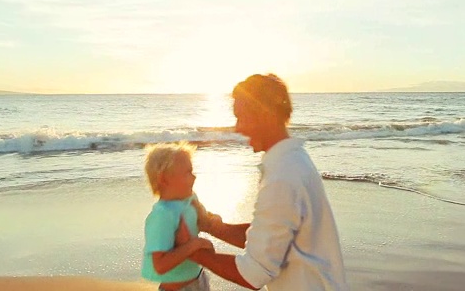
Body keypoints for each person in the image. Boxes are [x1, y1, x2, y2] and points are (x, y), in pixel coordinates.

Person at [184, 74, 349, 290]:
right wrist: (210, 226)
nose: (237, 128)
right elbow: (270, 239)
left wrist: (191, 252)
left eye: (241, 117)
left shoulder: (282, 177)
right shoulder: (294, 160)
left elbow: (254, 273)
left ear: (265, 114)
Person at [141, 142, 217, 291]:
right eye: (187, 172)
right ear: (164, 179)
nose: (194, 177)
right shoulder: (162, 215)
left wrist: (207, 218)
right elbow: (160, 265)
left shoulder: (189, 201)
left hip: (198, 279)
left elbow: (203, 222)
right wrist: (194, 244)